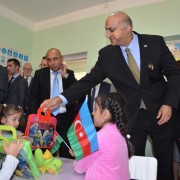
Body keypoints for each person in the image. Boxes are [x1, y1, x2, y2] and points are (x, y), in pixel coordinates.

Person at [40, 12, 180, 180]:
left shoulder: (155, 43)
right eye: (106, 30)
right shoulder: (107, 55)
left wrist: (169, 104)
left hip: (162, 113)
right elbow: (88, 81)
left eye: (111, 30)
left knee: (165, 164)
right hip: (132, 118)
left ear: (127, 28)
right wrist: (60, 98)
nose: (108, 35)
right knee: (132, 164)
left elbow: (174, 74)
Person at [29, 48, 82, 158]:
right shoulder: (40, 74)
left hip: (66, 118)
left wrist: (66, 76)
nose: (52, 63)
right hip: (45, 118)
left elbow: (76, 92)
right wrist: (35, 118)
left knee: (66, 150)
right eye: (49, 60)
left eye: (55, 59)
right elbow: (33, 97)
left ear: (61, 59)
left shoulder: (69, 74)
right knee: (43, 150)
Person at [69, 92, 133, 180]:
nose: (92, 112)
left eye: (95, 109)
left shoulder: (99, 138)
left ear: (105, 115)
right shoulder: (120, 133)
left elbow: (79, 168)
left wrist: (78, 156)